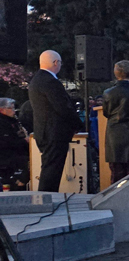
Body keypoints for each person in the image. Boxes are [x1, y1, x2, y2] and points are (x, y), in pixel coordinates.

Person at [28, 50, 83, 191]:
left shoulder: (37, 80)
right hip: (54, 133)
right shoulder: (50, 81)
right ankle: (47, 198)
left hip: (45, 131)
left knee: (49, 169)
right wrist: (78, 124)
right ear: (55, 63)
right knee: (51, 172)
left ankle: (47, 197)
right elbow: (63, 107)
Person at [0, 98, 30, 189]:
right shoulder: (2, 123)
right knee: (30, 163)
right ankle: (19, 182)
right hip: (6, 155)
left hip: (16, 151)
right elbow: (6, 142)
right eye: (11, 109)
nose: (14, 111)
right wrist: (24, 141)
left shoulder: (13, 121)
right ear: (2, 109)